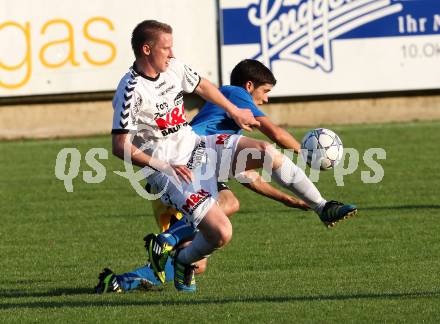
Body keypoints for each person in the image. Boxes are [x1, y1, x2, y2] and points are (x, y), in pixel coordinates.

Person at [95, 20, 357, 294]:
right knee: (221, 233)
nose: (172, 54)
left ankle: (322, 207)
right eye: (166, 48)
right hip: (167, 171)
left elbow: (203, 86)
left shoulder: (173, 68)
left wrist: (233, 110)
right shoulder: (130, 90)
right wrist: (163, 165)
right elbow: (119, 145)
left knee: (266, 152)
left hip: (197, 145)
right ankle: (175, 260)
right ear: (146, 49)